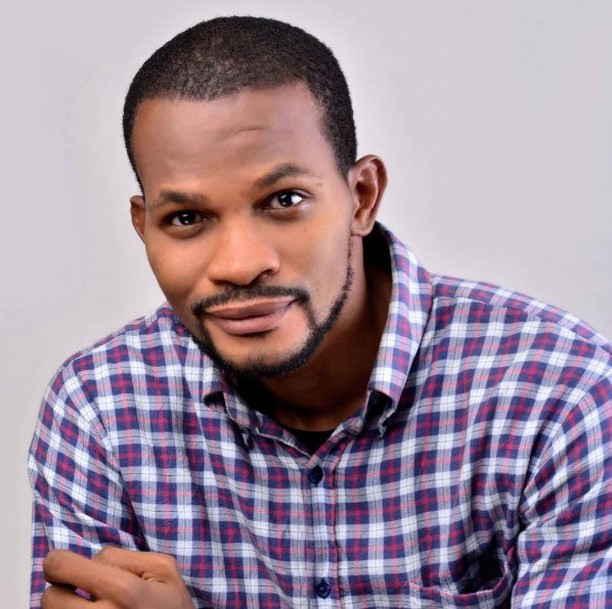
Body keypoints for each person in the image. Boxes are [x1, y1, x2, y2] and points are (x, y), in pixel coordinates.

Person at [29, 16, 611, 609]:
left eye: (284, 200)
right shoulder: (101, 407)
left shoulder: (560, 395)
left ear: (362, 197)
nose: (240, 264)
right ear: (143, 226)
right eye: (186, 218)